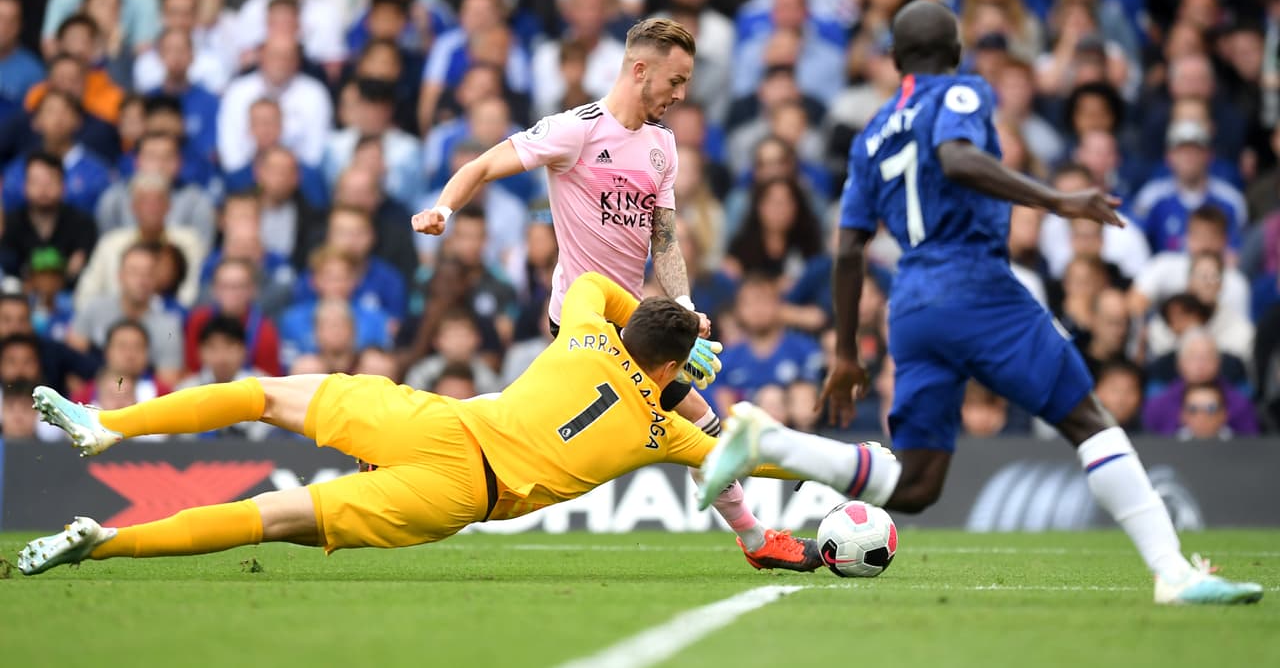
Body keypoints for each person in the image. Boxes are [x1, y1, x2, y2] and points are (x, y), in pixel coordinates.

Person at [697, 0, 1262, 606]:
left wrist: (843, 354)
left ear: (893, 59)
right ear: (958, 55)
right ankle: (1172, 571)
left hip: (911, 303)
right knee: (1087, 420)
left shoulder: (871, 136)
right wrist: (1060, 201)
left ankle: (772, 442)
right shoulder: (961, 93)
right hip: (975, 281)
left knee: (915, 486)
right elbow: (957, 158)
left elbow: (848, 250)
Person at [18, 272, 799, 576]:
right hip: (459, 491)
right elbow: (750, 456)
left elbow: (595, 280)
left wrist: (678, 331)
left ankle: (108, 423)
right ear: (676, 368)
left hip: (434, 422)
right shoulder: (661, 431)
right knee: (269, 517)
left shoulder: (590, 330)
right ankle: (104, 541)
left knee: (261, 395)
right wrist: (851, 464)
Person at [412, 17, 815, 571]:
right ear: (640, 69)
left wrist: (685, 308)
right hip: (580, 321)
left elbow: (665, 237)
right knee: (690, 424)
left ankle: (409, 441)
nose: (681, 95)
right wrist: (443, 209)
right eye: (675, 82)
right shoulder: (574, 131)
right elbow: (483, 164)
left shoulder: (662, 147)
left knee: (524, 417)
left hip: (631, 326)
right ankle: (760, 538)